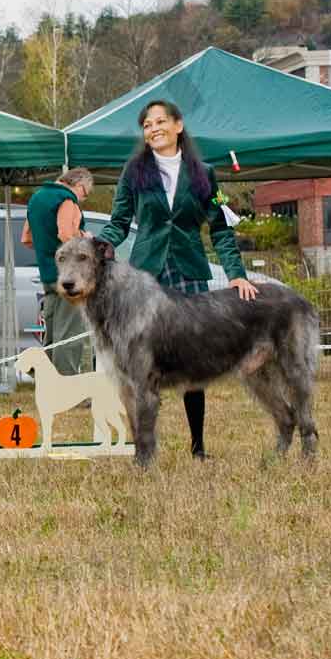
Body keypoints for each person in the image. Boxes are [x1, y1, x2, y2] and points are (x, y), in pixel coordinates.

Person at [96, 99, 257, 460]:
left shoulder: (205, 174)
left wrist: (236, 275)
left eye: (159, 122)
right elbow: (119, 221)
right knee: (140, 361)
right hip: (147, 275)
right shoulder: (134, 172)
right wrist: (99, 244)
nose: (153, 129)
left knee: (191, 356)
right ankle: (144, 447)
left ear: (178, 125)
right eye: (147, 125)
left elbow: (220, 228)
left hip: (188, 271)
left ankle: (198, 446)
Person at [21, 167, 94, 375]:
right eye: (85, 194)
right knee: (70, 333)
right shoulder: (67, 199)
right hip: (70, 277)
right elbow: (65, 234)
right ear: (79, 185)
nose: (82, 199)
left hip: (47, 275)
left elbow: (26, 238)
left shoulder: (36, 198)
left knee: (52, 332)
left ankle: (48, 382)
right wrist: (84, 237)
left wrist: (48, 249)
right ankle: (69, 388)